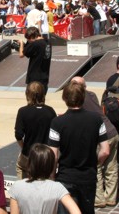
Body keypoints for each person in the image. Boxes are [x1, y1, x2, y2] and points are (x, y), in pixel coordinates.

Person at [48, 80, 110, 214]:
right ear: (83, 97)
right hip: (88, 175)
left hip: (66, 177)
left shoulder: (57, 122)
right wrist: (95, 163)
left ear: (64, 98)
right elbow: (105, 151)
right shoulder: (97, 119)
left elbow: (53, 154)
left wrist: (52, 176)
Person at [71, 76, 119, 209]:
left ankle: (99, 199)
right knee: (111, 166)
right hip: (112, 132)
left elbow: (78, 116)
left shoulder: (77, 99)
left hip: (101, 136)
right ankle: (111, 197)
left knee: (96, 166)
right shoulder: (91, 95)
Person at [9, 143, 81, 214]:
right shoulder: (57, 187)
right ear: (50, 165)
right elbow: (75, 211)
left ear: (30, 163)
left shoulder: (17, 187)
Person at [14, 82, 57, 179]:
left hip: (29, 154)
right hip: (44, 156)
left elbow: (18, 135)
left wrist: (23, 146)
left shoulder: (23, 111)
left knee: (20, 167)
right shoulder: (50, 111)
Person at [19, 26, 52, 94]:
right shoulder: (48, 42)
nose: (28, 41)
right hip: (44, 78)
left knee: (32, 100)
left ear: (31, 37)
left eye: (28, 39)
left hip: (34, 79)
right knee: (41, 100)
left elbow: (21, 54)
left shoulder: (35, 44)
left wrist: (21, 44)